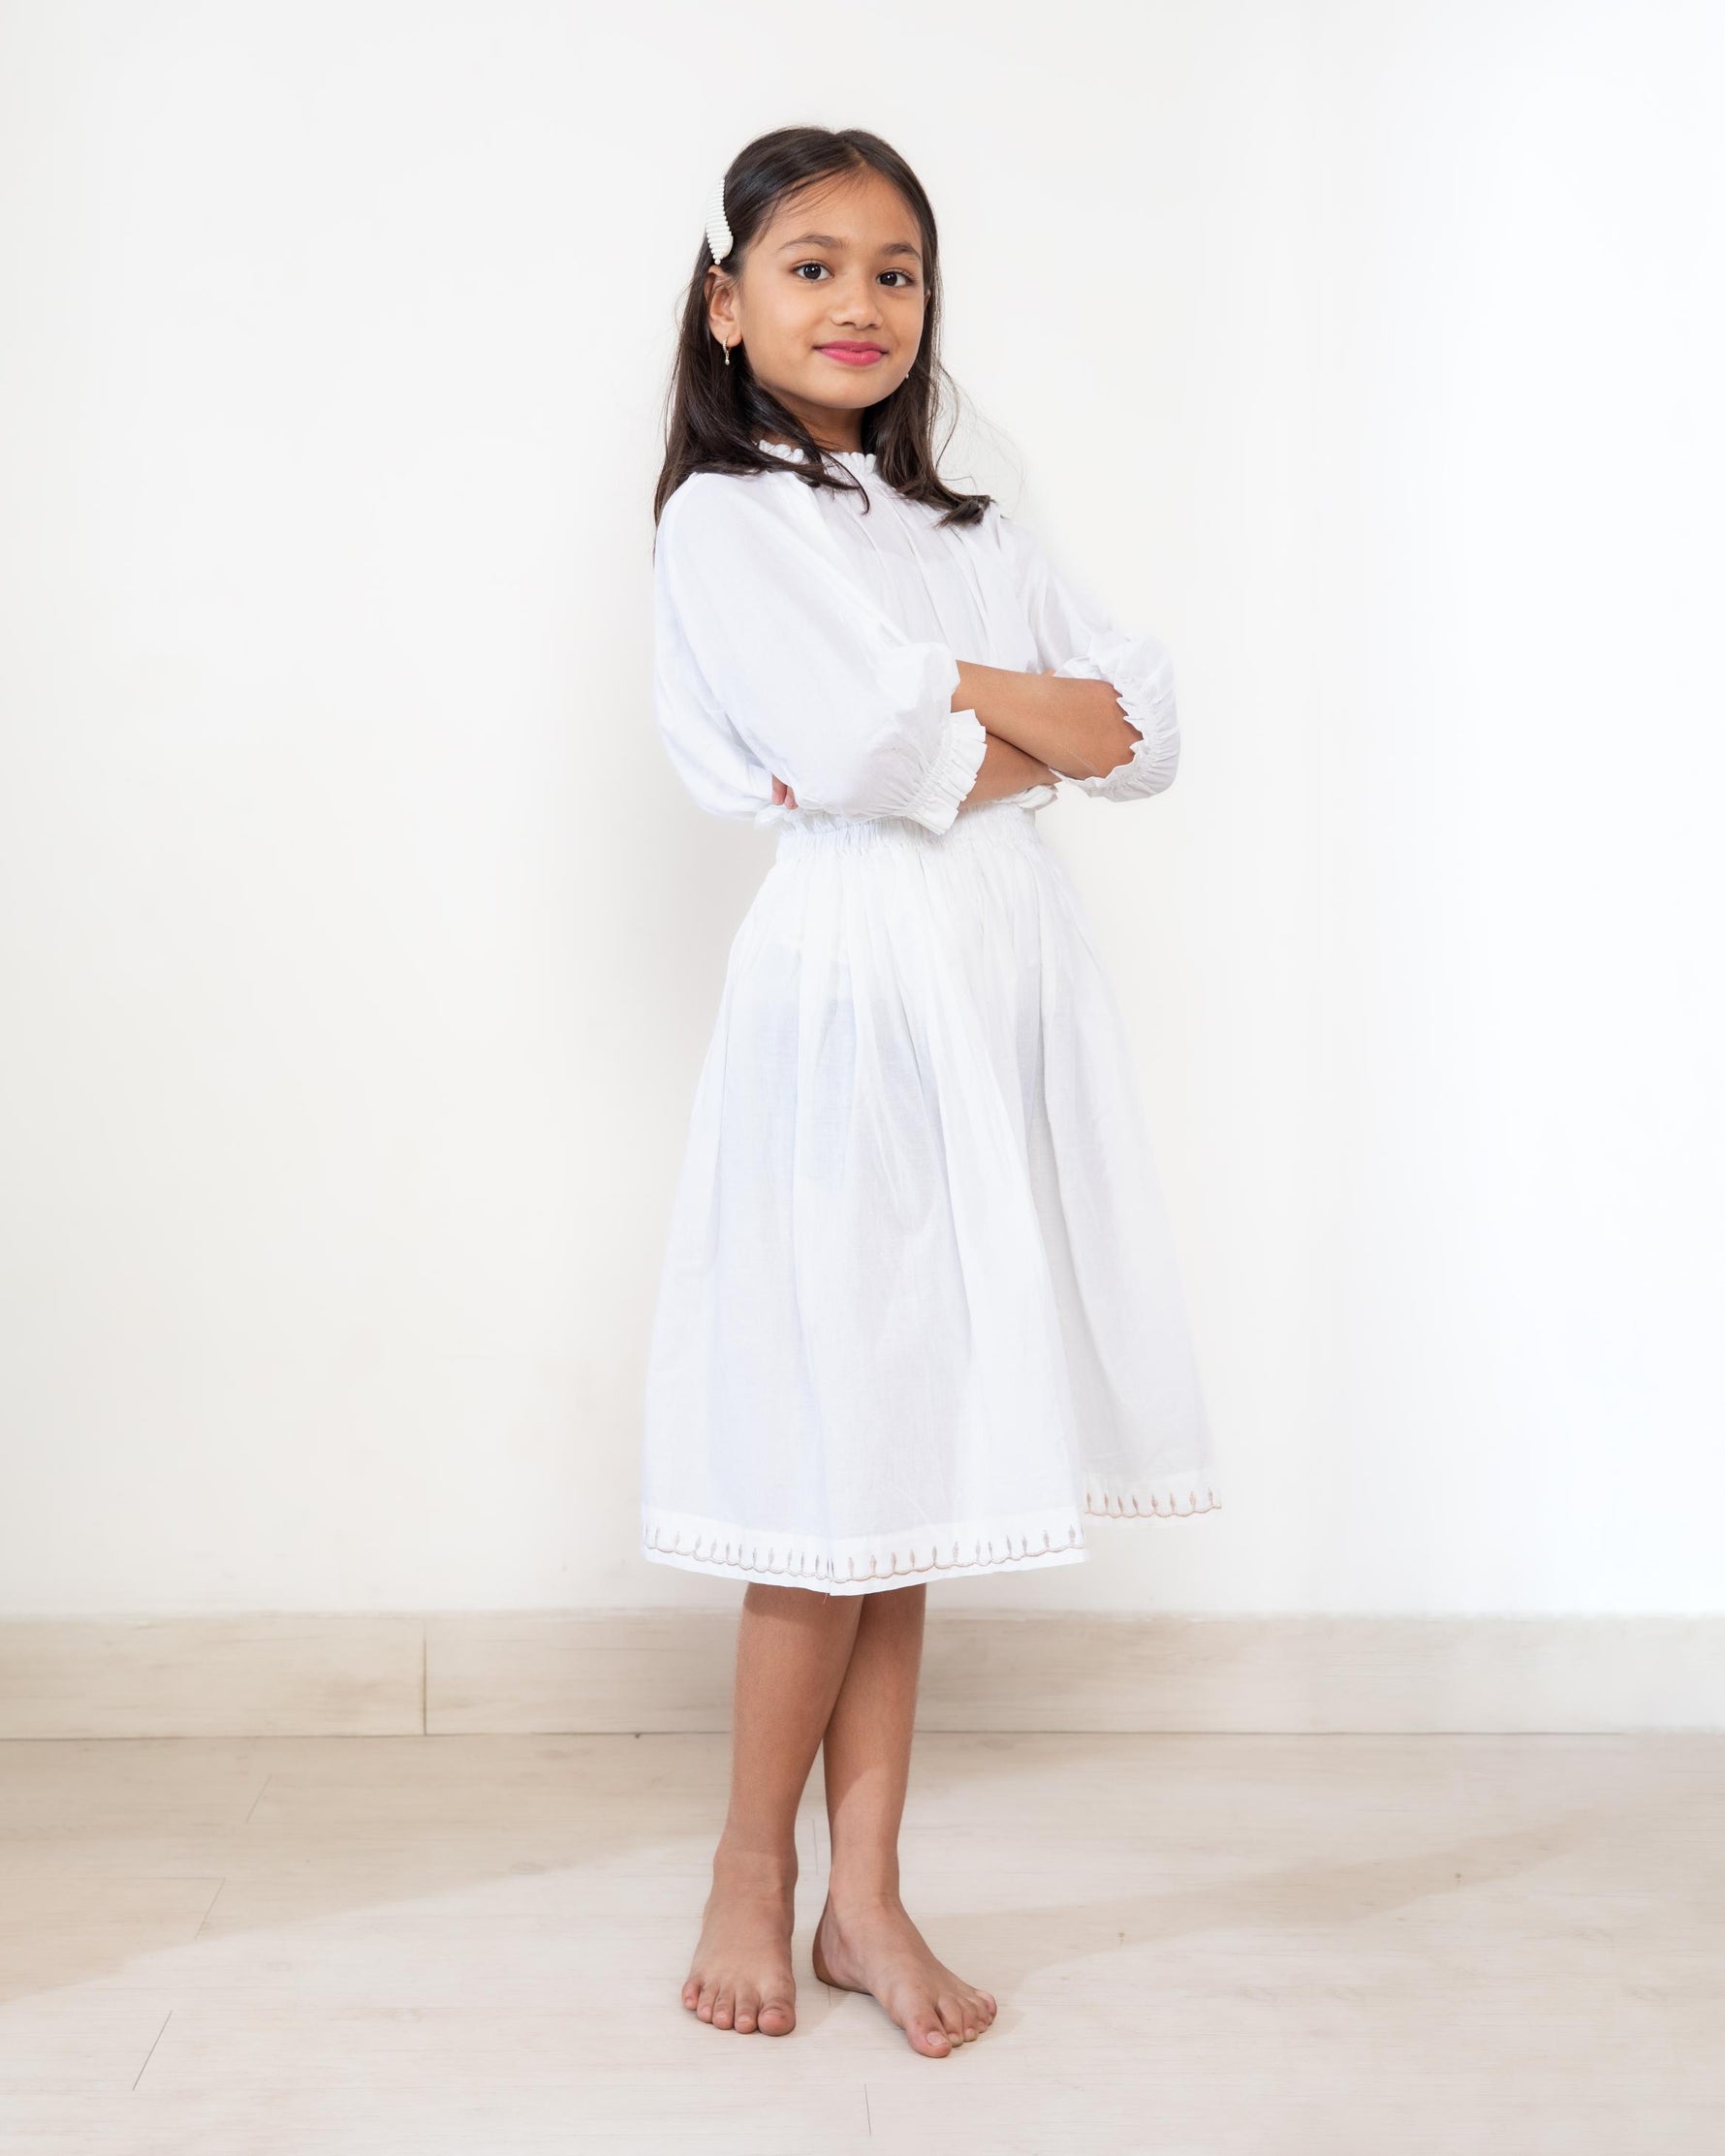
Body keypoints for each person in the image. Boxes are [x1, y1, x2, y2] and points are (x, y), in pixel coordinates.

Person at [642, 125, 1221, 2058]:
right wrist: (988, 712)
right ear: (728, 302)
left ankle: (867, 1894)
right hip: (849, 995)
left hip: (988, 993)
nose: (859, 303)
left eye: (894, 271)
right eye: (811, 266)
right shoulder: (728, 524)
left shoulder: (963, 528)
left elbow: (1137, 723)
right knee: (831, 1460)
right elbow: (845, 756)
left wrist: (942, 692)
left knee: (908, 1457)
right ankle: (749, 1867)